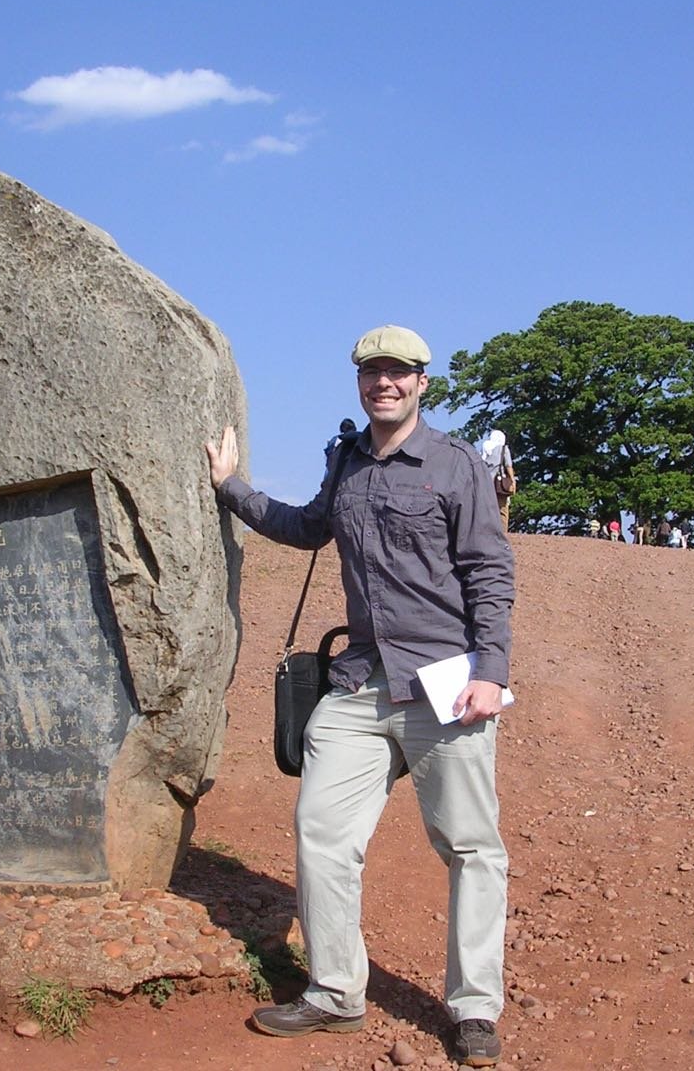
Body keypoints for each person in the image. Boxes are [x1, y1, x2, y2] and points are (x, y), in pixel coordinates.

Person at [205, 324, 514, 1067]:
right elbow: (309, 527)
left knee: (471, 848)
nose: (385, 383)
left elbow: (489, 571)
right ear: (360, 382)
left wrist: (491, 672)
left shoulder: (455, 464)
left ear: (422, 384)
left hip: (444, 684)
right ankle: (336, 992)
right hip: (361, 681)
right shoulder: (345, 462)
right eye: (373, 372)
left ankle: (473, 1008)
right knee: (321, 828)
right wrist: (231, 489)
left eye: (399, 373)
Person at [479, 429, 516, 533]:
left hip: (486, 482)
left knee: (486, 508)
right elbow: (508, 465)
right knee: (502, 510)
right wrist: (512, 480)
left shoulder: (485, 447)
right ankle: (502, 533)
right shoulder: (503, 449)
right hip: (499, 484)